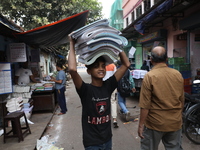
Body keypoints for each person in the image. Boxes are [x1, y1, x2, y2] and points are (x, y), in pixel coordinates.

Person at [68, 33, 130, 150]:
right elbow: (72, 69)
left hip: (107, 140)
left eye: (103, 66)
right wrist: (71, 43)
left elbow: (126, 64)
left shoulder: (109, 85)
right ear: (89, 71)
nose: (101, 68)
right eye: (96, 66)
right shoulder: (85, 90)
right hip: (92, 143)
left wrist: (117, 43)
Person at [137, 46, 184, 150]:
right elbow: (181, 100)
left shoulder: (150, 76)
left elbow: (145, 105)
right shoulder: (177, 74)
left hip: (154, 123)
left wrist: (141, 125)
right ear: (166, 59)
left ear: (151, 59)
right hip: (174, 122)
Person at [103, 63, 119, 128]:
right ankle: (114, 119)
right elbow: (116, 76)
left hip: (103, 86)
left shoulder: (101, 65)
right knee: (113, 102)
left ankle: (104, 119)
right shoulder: (113, 66)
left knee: (104, 102)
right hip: (112, 86)